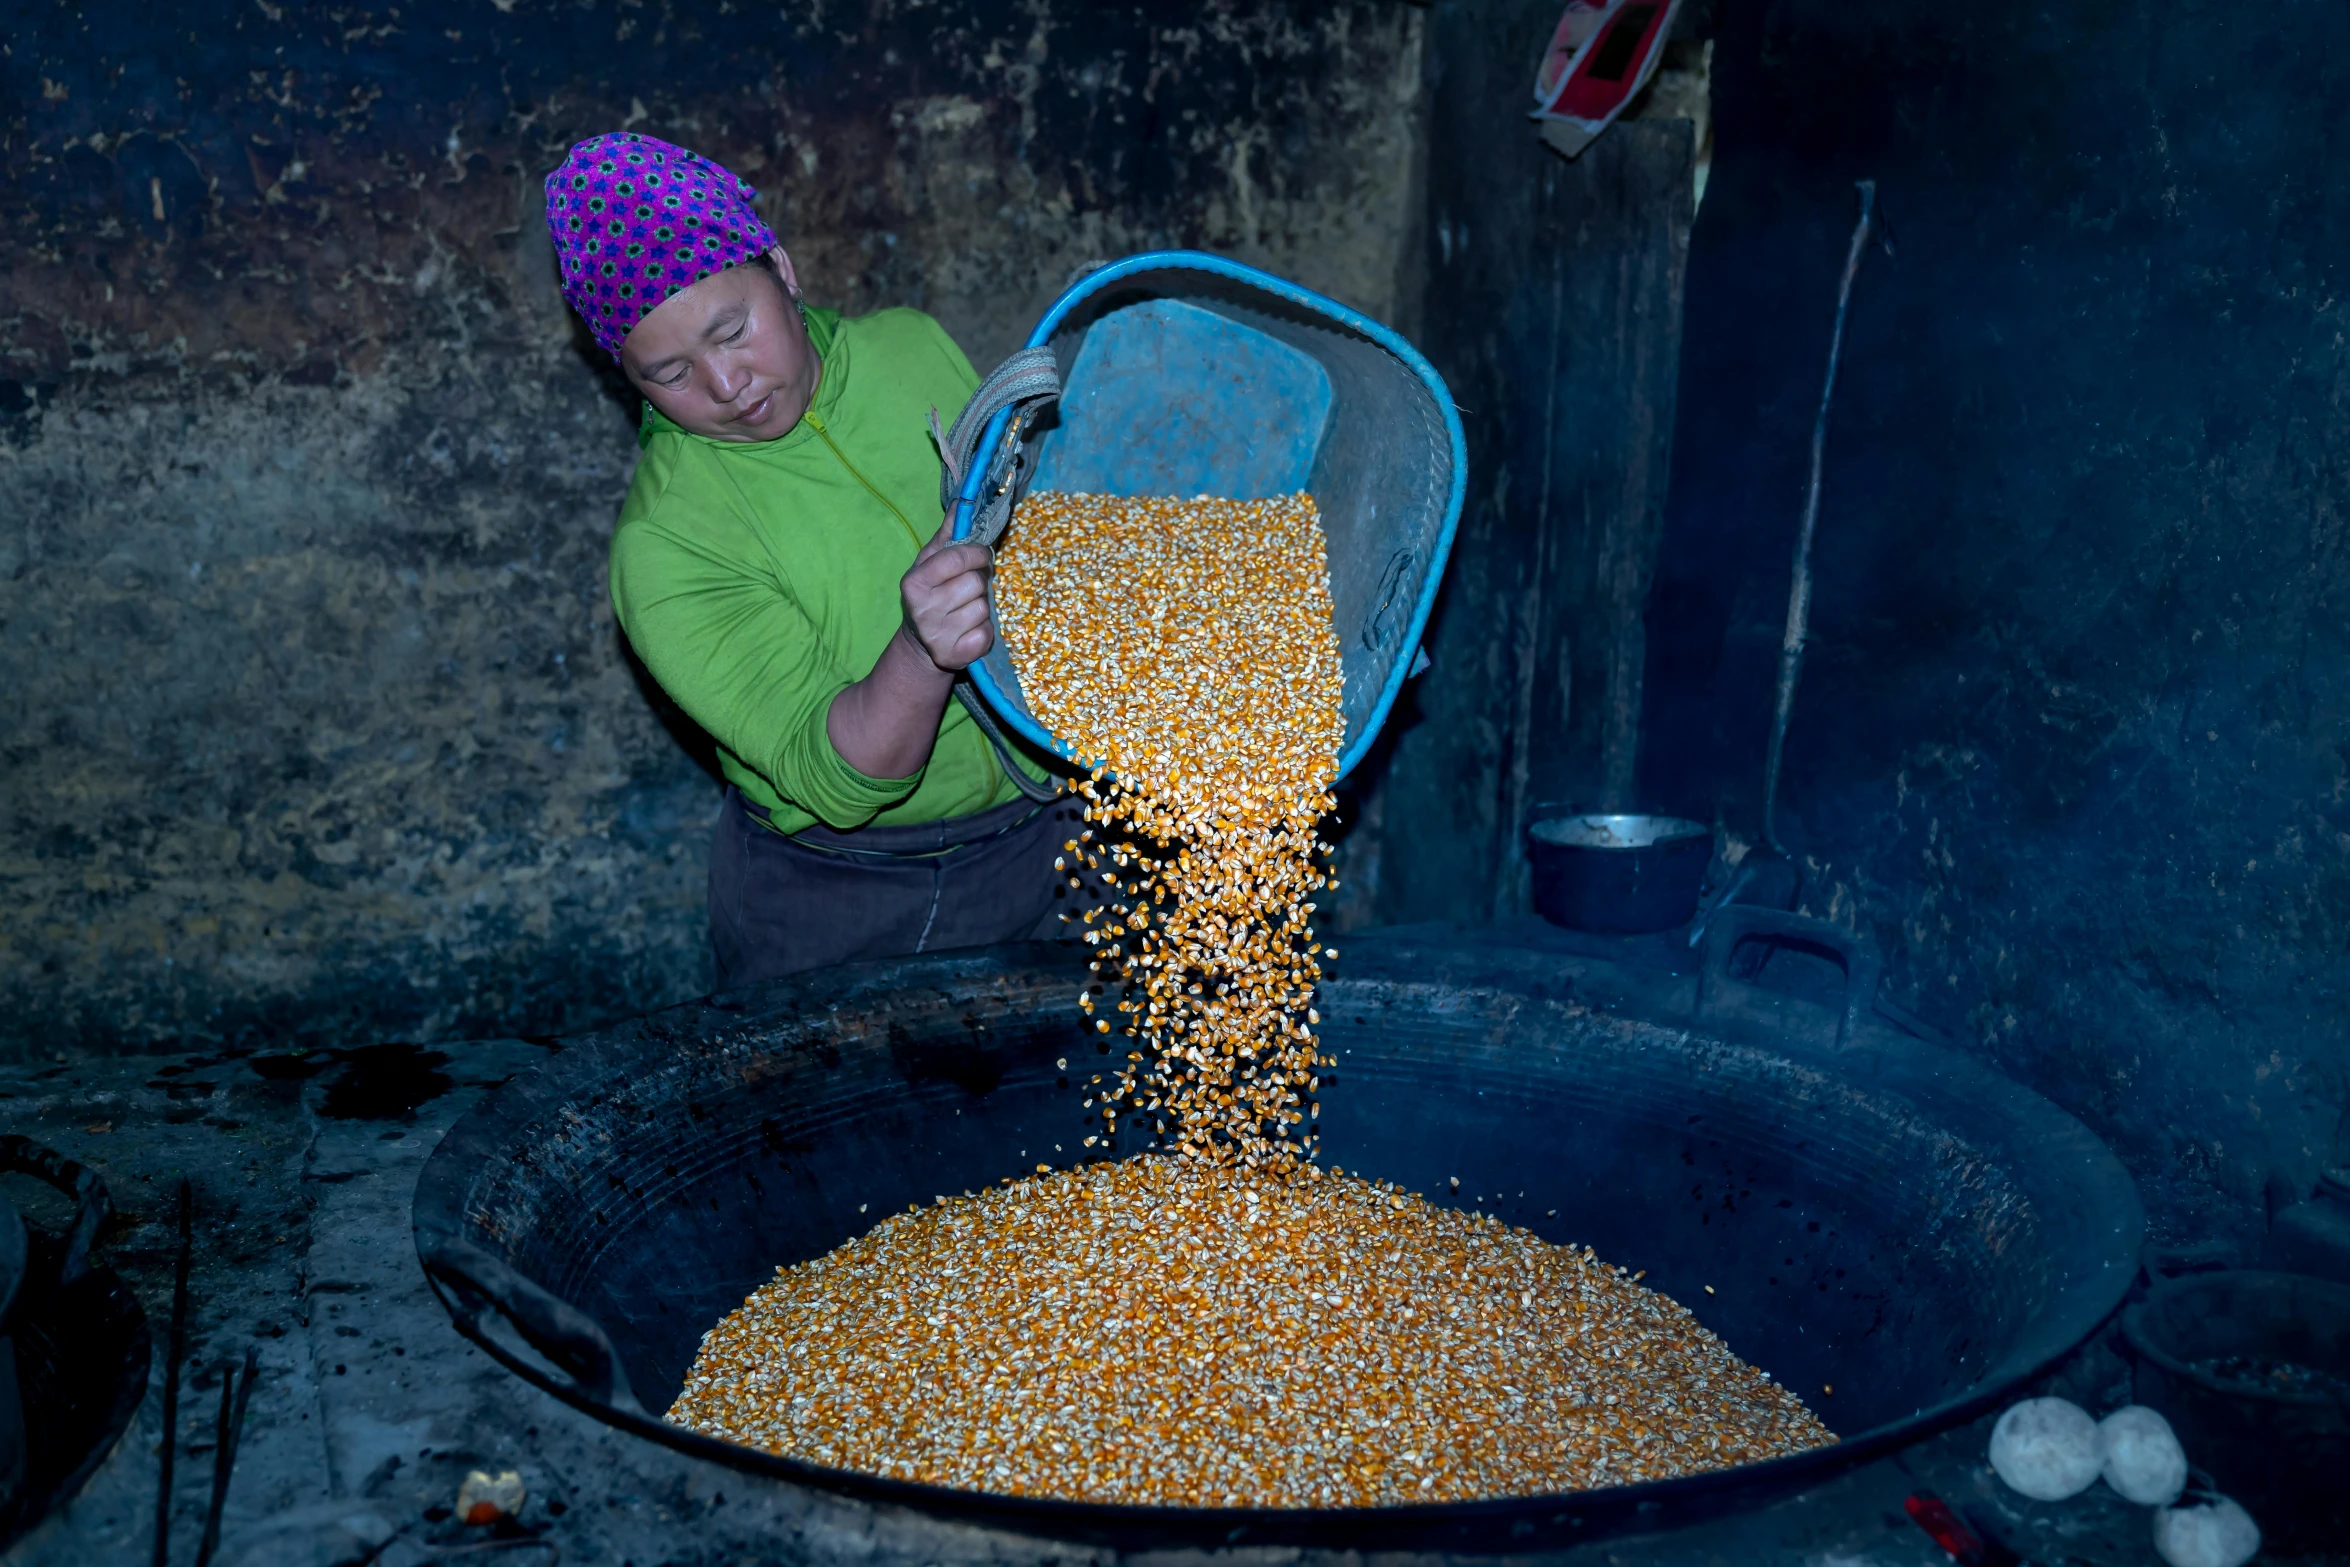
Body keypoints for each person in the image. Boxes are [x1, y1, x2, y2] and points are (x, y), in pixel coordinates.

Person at [545, 132, 1085, 990]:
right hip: (848, 893)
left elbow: (1027, 518)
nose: (727, 386)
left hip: (1048, 829)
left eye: (734, 329)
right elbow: (841, 780)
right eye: (672, 372)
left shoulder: (908, 349)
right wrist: (919, 650)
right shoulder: (668, 547)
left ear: (784, 273)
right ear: (627, 377)